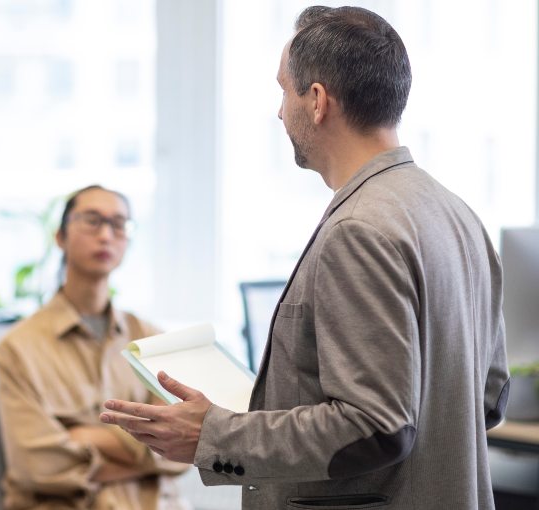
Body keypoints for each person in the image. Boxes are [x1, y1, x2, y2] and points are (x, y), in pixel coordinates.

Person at [101, 6, 509, 510]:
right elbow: (489, 399)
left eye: (282, 89)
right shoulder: (457, 214)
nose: (278, 111)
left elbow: (376, 426)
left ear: (316, 100)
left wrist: (216, 435)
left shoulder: (359, 230)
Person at [0, 185, 189, 509]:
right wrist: (143, 448)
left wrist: (83, 436)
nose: (106, 235)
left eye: (118, 224)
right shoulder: (17, 348)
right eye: (92, 220)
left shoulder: (153, 339)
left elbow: (182, 450)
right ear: (60, 236)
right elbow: (37, 466)